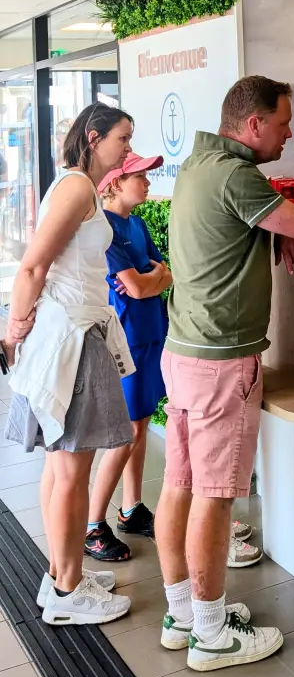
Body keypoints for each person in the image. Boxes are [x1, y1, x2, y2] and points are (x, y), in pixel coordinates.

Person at [155, 75, 294, 671]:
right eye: (283, 124)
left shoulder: (197, 166)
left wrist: (270, 233)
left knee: (180, 484)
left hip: (184, 351)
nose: (289, 134)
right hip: (221, 362)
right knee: (213, 497)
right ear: (254, 123)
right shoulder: (237, 176)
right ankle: (211, 635)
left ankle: (184, 615)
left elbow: (241, 233)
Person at [3, 102, 136, 626]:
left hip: (74, 335)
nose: (128, 148)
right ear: (94, 137)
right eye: (122, 138)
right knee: (71, 471)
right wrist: (12, 332)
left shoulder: (80, 187)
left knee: (61, 468)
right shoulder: (78, 186)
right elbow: (33, 265)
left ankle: (61, 572)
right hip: (71, 340)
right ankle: (67, 590)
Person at [83, 153, 172, 563]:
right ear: (116, 183)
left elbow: (165, 273)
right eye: (140, 175)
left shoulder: (136, 224)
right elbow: (137, 288)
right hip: (128, 341)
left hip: (151, 334)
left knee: (139, 425)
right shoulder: (105, 228)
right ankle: (92, 526)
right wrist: (152, 279)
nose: (148, 181)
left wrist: (153, 278)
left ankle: (131, 508)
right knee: (126, 433)